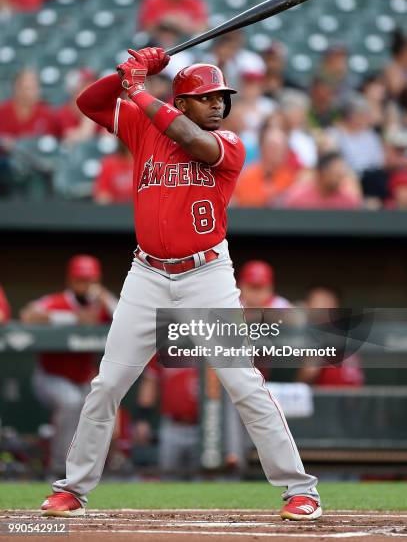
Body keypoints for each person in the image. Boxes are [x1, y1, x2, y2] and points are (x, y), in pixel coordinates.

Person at [40, 47, 321, 520]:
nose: (217, 105)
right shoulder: (143, 125)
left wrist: (137, 90)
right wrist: (127, 74)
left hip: (207, 275)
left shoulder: (228, 142)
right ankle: (72, 488)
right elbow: (89, 104)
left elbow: (191, 139)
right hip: (146, 275)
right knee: (108, 384)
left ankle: (300, 489)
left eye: (221, 97)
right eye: (205, 97)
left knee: (242, 382)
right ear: (182, 100)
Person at [21, 255, 118, 478]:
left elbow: (123, 317)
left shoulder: (100, 305)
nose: (84, 285)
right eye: (80, 280)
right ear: (70, 281)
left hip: (84, 378)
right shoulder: (57, 301)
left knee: (101, 406)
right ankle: (58, 469)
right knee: (70, 402)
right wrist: (72, 318)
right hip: (51, 377)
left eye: (90, 280)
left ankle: (99, 469)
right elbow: (28, 315)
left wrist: (102, 296)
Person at [134, 354, 200, 478]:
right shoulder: (166, 345)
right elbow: (150, 382)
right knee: (168, 478)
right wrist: (143, 418)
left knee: (207, 480)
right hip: (173, 425)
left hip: (206, 426)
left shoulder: (211, 345)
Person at [296, 286, 365, 387]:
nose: (322, 307)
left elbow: (309, 373)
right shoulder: (307, 334)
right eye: (318, 302)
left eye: (327, 302)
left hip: (343, 395)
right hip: (326, 396)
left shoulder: (344, 333)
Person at [234, 120, 304, 207]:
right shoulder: (246, 176)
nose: (279, 152)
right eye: (274, 147)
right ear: (262, 148)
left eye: (282, 148)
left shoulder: (292, 179)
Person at [283, 152, 362, 210]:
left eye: (342, 174)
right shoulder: (297, 199)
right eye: (336, 174)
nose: (340, 178)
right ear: (321, 173)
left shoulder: (348, 201)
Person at [0, 69, 59, 143]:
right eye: (27, 88)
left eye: (34, 88)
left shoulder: (46, 114)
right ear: (16, 88)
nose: (31, 93)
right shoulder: (3, 112)